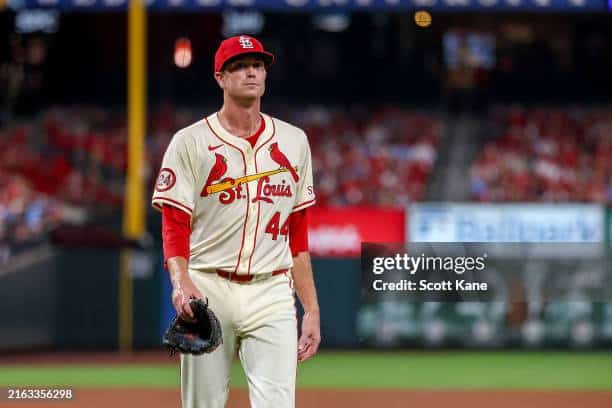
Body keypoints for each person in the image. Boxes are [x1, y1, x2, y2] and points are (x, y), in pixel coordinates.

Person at [152, 35, 321, 408]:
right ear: (220, 77)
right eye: (240, 66)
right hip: (210, 286)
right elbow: (174, 224)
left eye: (257, 66)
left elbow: (298, 234)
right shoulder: (190, 142)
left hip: (272, 291)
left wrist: (311, 309)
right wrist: (181, 283)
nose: (251, 72)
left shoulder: (294, 142)